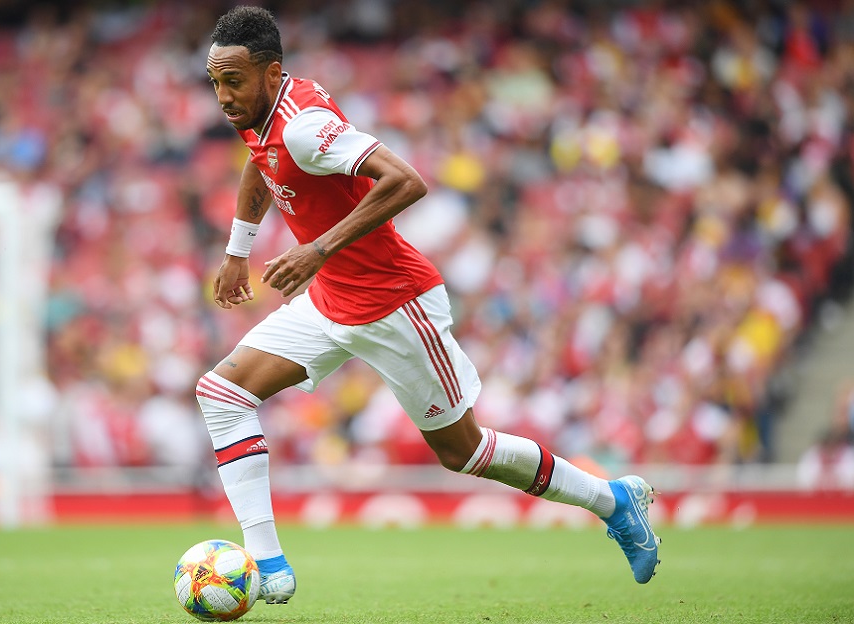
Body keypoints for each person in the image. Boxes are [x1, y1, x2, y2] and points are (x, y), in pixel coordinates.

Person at [197, 6, 661, 605]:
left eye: (233, 81)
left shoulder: (304, 126)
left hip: (395, 303)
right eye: (216, 82)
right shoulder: (259, 112)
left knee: (464, 452)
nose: (223, 96)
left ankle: (613, 500)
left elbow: (407, 180)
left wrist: (318, 249)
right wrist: (238, 250)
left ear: (271, 72)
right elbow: (261, 161)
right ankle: (267, 564)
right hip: (332, 300)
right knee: (223, 394)